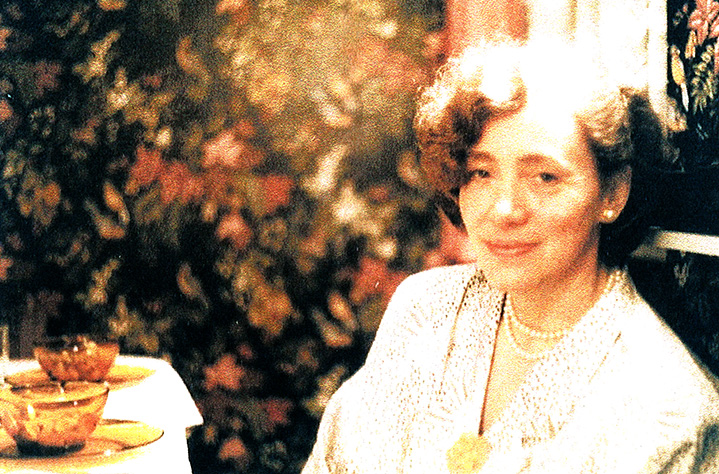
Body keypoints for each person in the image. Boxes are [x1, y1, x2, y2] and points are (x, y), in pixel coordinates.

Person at [302, 39, 719, 474]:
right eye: (481, 172)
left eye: (545, 177)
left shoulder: (670, 414)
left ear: (612, 193)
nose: (504, 210)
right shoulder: (425, 307)